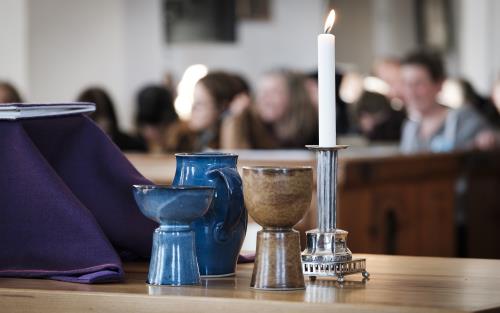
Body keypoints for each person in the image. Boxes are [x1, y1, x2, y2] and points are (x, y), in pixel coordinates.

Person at [399, 50, 497, 153]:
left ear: (439, 84)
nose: (411, 92)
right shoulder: (410, 128)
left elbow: (492, 140)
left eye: (419, 83)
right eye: (406, 84)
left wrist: (489, 141)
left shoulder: (464, 120)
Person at [221, 69, 318, 149]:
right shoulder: (250, 124)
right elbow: (234, 158)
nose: (264, 98)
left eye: (274, 92)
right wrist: (235, 118)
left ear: (294, 96)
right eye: (261, 92)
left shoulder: (312, 128)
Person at [189, 71, 248, 151]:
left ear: (222, 107)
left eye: (199, 104)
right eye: (193, 102)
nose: (192, 109)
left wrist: (231, 119)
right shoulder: (204, 137)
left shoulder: (231, 131)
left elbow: (234, 158)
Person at [77, 87, 146, 151]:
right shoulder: (74, 146)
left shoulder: (133, 145)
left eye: (105, 117)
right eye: (95, 119)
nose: (102, 124)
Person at [135, 85, 192, 153]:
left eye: (158, 128)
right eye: (146, 126)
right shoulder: (139, 139)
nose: (150, 133)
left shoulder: (183, 133)